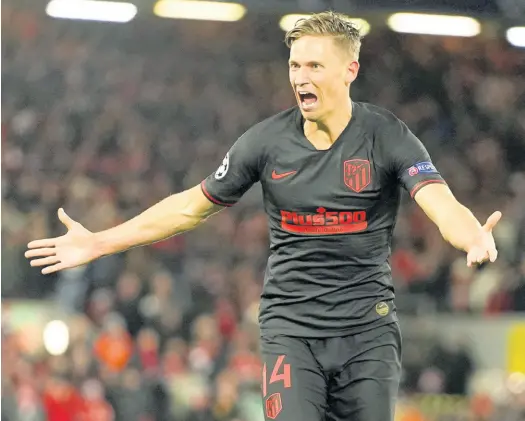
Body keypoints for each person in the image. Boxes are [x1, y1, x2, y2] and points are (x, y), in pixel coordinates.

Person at [25, 11, 501, 421]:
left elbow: (439, 202)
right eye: (295, 65)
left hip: (367, 333)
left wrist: (471, 237)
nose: (300, 77)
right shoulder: (266, 143)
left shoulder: (387, 137)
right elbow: (191, 207)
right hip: (291, 330)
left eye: (315, 65)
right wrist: (101, 241)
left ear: (350, 69)